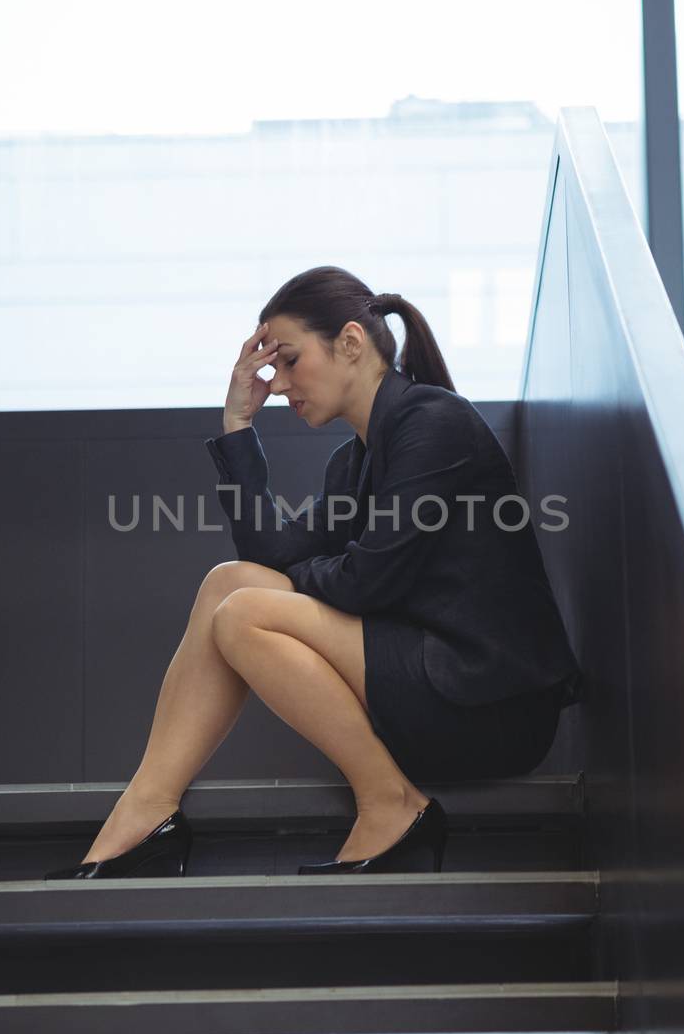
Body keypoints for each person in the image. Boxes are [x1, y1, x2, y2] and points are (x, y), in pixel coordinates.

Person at [45, 265, 581, 882]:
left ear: (351, 343)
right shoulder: (354, 461)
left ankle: (391, 802)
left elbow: (368, 582)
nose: (278, 385)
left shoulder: (434, 423)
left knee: (245, 610)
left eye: (290, 360)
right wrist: (238, 427)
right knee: (229, 583)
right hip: (427, 681)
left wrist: (303, 578)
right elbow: (270, 554)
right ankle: (147, 812)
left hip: (489, 704)